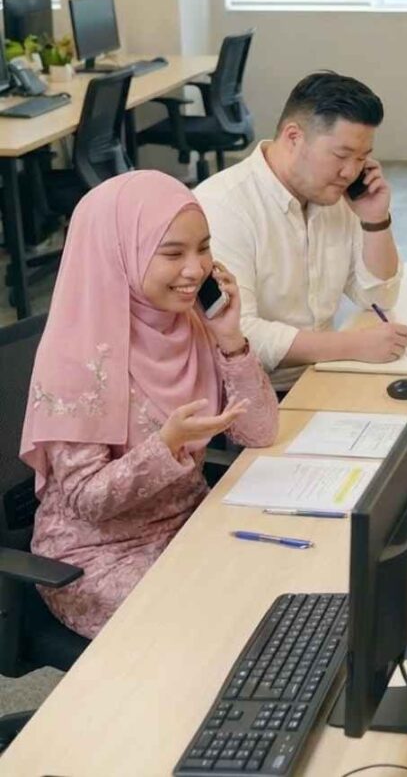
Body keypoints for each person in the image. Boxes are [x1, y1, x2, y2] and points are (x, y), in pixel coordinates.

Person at [21, 172, 279, 638]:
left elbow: (259, 432)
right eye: (173, 253)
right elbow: (89, 502)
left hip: (189, 522)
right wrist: (166, 447)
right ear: (120, 254)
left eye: (203, 248)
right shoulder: (77, 356)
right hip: (97, 556)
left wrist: (230, 339)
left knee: (277, 585)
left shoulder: (190, 325)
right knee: (216, 625)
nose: (196, 269)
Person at [194, 71, 407, 393]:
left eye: (362, 158)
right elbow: (237, 333)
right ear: (293, 137)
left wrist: (376, 220)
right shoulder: (222, 207)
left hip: (320, 375)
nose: (350, 172)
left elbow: (378, 296)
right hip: (251, 395)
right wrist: (350, 346)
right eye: (341, 155)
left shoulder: (335, 195)